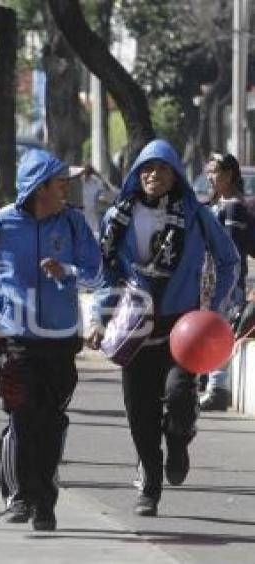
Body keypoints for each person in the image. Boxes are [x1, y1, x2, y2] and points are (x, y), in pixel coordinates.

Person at [0, 148, 102, 530]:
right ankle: (19, 496)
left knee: (50, 421)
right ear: (39, 187)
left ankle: (44, 500)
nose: (66, 188)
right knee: (21, 413)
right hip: (12, 336)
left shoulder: (74, 224)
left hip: (62, 338)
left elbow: (96, 273)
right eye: (60, 182)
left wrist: (65, 270)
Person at [87, 140, 238, 517]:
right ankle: (150, 488)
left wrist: (213, 309)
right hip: (132, 325)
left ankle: (180, 440)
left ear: (176, 175)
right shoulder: (117, 216)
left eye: (162, 169)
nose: (153, 176)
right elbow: (105, 273)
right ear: (136, 174)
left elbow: (228, 260)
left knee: (180, 398)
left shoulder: (194, 214)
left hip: (181, 326)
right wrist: (98, 317)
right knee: (140, 412)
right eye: (146, 169)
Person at [199, 152, 251, 410]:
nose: (209, 177)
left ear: (230, 175)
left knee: (220, 331)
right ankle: (206, 381)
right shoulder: (212, 207)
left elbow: (231, 253)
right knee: (209, 331)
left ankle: (218, 388)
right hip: (206, 283)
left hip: (227, 284)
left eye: (215, 172)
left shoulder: (235, 208)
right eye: (207, 171)